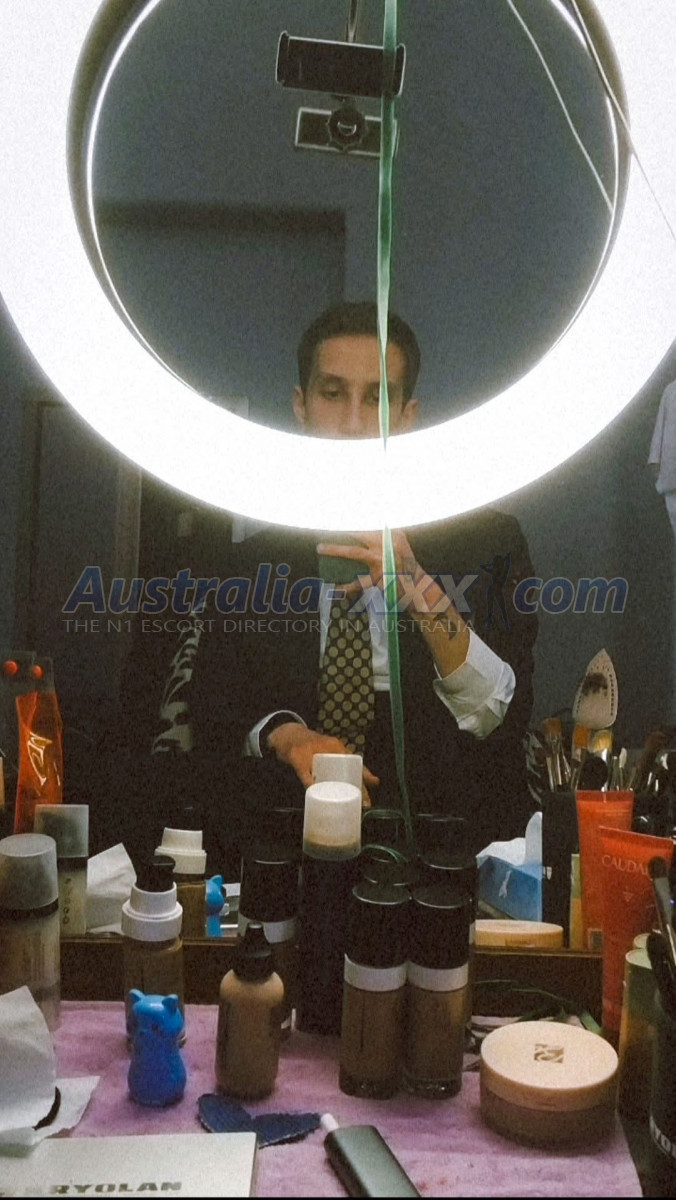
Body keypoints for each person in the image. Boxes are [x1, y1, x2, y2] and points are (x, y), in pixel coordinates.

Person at [192, 302, 538, 855]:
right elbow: (213, 708)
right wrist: (288, 734)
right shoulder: (248, 564)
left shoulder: (488, 543)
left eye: (377, 398)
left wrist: (418, 588)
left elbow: (498, 713)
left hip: (446, 844)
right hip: (285, 843)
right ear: (301, 406)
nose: (354, 423)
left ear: (407, 415)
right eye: (333, 394)